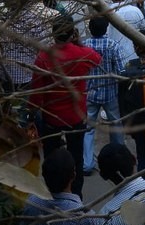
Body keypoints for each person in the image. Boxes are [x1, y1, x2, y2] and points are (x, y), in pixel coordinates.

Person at [29, 15, 100, 195]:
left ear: (53, 34)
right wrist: (80, 44)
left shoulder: (44, 57)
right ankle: (76, 194)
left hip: (52, 117)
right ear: (72, 33)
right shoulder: (83, 54)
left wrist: (32, 112)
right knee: (76, 157)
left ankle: (54, 191)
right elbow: (97, 59)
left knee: (51, 158)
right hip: (76, 116)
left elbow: (36, 93)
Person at [81, 17, 127, 174]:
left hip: (90, 91)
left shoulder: (85, 46)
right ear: (106, 29)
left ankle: (86, 164)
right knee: (116, 125)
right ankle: (120, 160)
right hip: (110, 92)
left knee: (88, 128)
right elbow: (122, 70)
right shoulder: (113, 45)